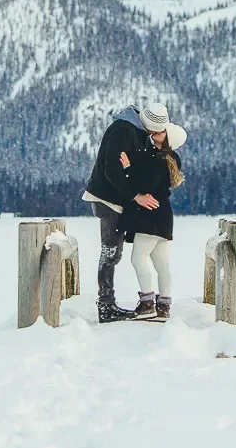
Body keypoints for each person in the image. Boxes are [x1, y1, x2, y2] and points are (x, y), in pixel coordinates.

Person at [82, 104, 157, 323]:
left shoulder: (138, 133)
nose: (153, 135)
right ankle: (106, 306)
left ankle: (107, 304)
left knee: (113, 253)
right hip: (107, 199)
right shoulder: (122, 130)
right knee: (110, 252)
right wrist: (136, 196)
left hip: (117, 200)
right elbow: (111, 169)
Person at [119, 105, 186, 321]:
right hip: (163, 215)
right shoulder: (169, 159)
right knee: (162, 264)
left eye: (162, 131)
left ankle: (147, 302)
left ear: (168, 140)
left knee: (138, 259)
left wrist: (128, 169)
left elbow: (145, 183)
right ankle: (164, 306)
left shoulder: (158, 159)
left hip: (150, 215)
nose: (156, 132)